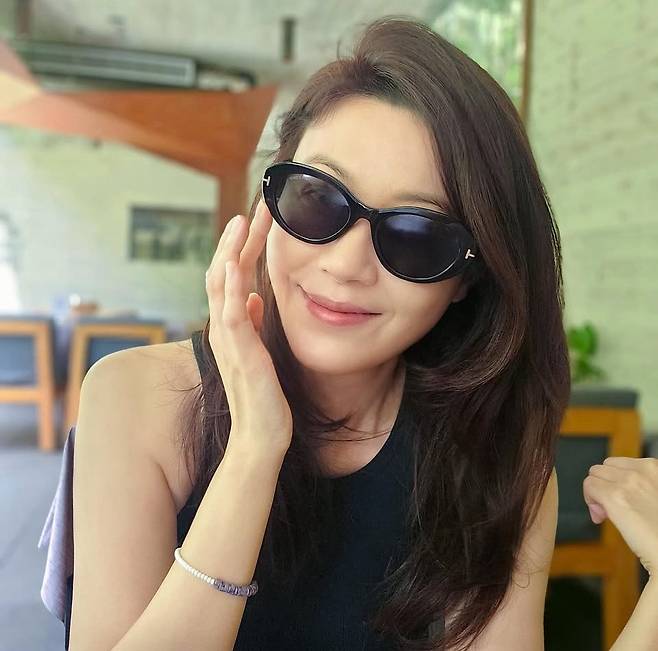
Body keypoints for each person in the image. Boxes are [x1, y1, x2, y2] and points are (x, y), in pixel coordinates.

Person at [37, 15, 657, 651]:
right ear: (269, 204)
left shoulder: (492, 456)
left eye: (416, 234)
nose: (346, 264)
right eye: (317, 198)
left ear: (468, 278)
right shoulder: (136, 399)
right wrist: (254, 450)